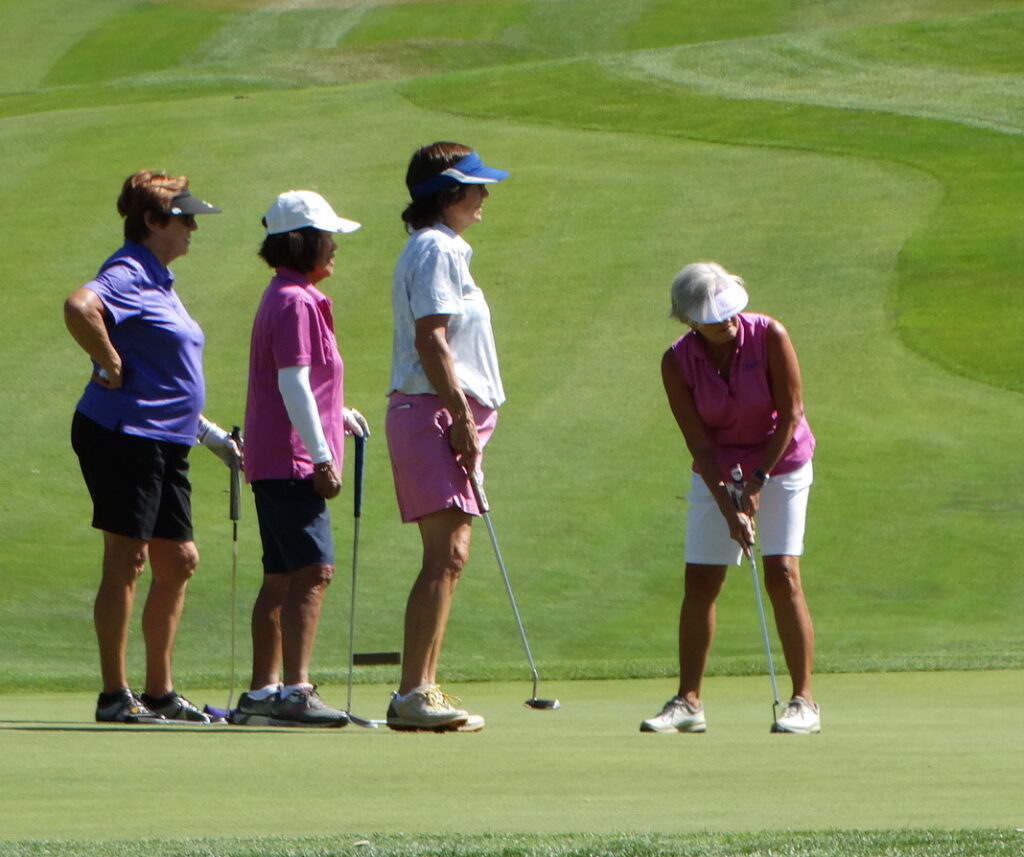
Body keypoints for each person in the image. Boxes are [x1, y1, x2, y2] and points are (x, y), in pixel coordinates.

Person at [65, 169, 239, 724]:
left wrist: (209, 435)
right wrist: (109, 362)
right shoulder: (128, 270)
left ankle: (160, 692)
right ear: (152, 221)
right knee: (128, 558)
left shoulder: (159, 278)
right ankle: (115, 695)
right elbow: (79, 306)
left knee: (179, 560)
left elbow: (171, 375)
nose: (192, 227)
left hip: (165, 440)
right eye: (184, 218)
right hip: (124, 434)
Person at [641, 262, 820, 735]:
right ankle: (688, 702)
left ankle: (803, 702)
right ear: (689, 320)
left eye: (728, 310)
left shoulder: (769, 335)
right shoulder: (676, 362)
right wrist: (729, 506)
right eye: (711, 314)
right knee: (701, 581)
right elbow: (698, 444)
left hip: (781, 463)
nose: (726, 320)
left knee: (781, 572)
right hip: (717, 469)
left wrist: (757, 483)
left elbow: (790, 415)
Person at [232, 190, 370, 728]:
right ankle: (294, 691)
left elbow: (307, 384)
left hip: (276, 456)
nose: (335, 247)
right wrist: (322, 456)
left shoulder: (287, 294)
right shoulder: (295, 301)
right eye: (328, 237)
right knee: (313, 571)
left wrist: (338, 419)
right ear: (306, 241)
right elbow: (292, 383)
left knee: (281, 575)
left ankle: (265, 692)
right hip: (291, 460)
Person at [384, 142, 509, 732]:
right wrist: (460, 415)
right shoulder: (435, 248)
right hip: (434, 410)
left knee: (451, 557)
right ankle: (414, 691)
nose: (485, 195)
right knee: (445, 555)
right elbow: (432, 339)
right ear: (451, 192)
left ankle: (421, 688)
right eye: (476, 186)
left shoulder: (442, 248)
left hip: (442, 410)